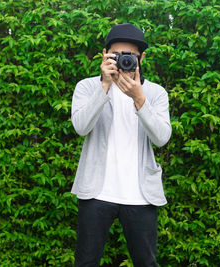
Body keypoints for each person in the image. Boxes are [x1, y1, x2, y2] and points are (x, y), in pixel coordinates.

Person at [71, 23, 172, 267]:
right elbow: (81, 127)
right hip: (96, 190)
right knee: (85, 261)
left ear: (141, 58)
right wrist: (104, 85)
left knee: (146, 263)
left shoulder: (155, 93)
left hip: (140, 194)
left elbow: (162, 138)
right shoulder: (87, 87)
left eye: (130, 56)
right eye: (116, 55)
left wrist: (139, 98)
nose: (123, 61)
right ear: (105, 55)